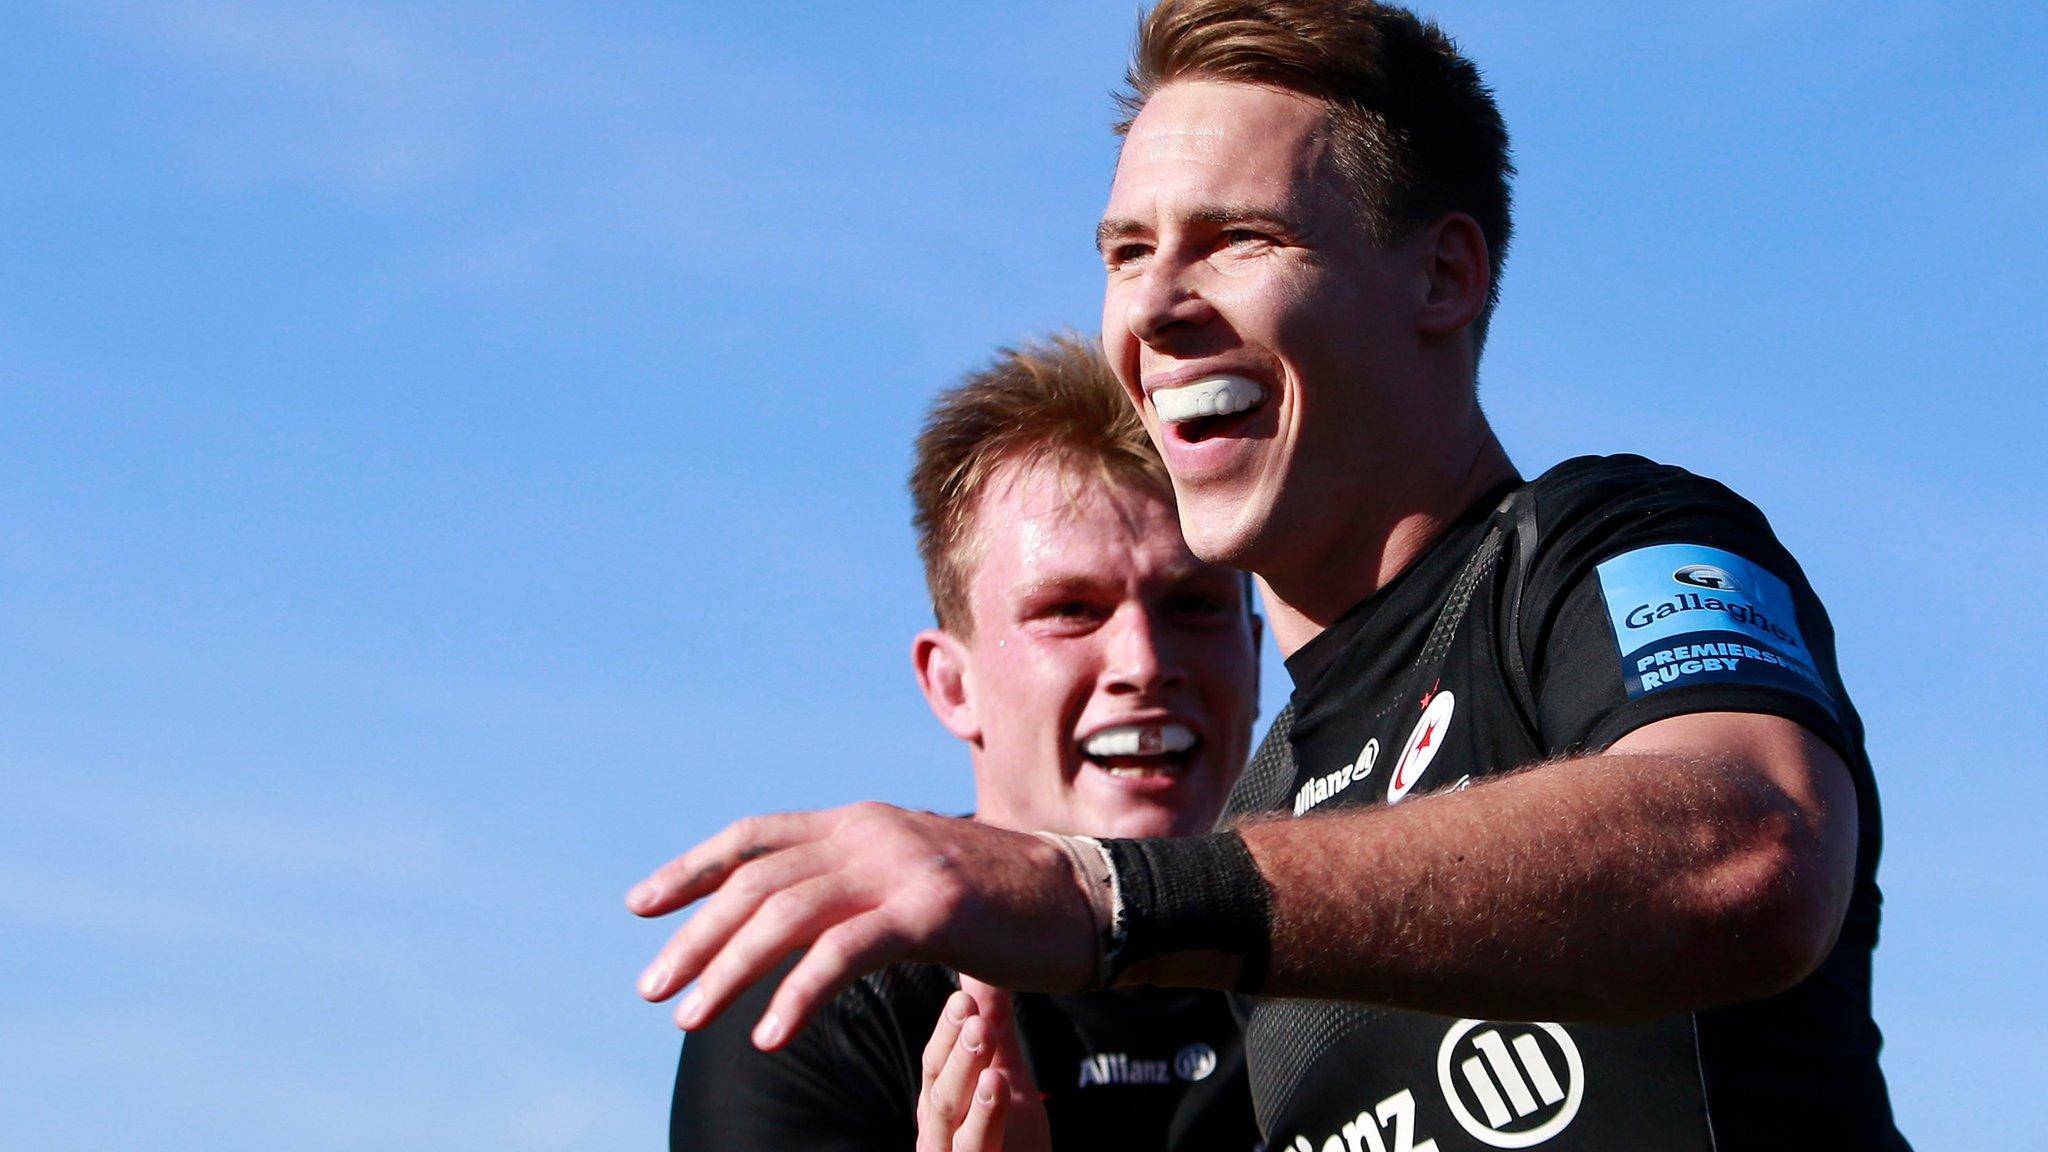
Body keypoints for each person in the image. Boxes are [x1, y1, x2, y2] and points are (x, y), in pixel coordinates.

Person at [631, 3, 1911, 1148]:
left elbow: (1750, 851)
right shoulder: (1265, 815)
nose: (1156, 307)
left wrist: (1094, 891)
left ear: (1442, 274)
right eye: (1127, 253)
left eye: (1236, 237)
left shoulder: (1596, 546)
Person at [664, 334, 1263, 1151]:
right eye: (1071, 610)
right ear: (952, 684)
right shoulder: (831, 986)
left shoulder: (1373, 947)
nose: (1145, 663)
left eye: (1193, 605)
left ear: (1255, 653)